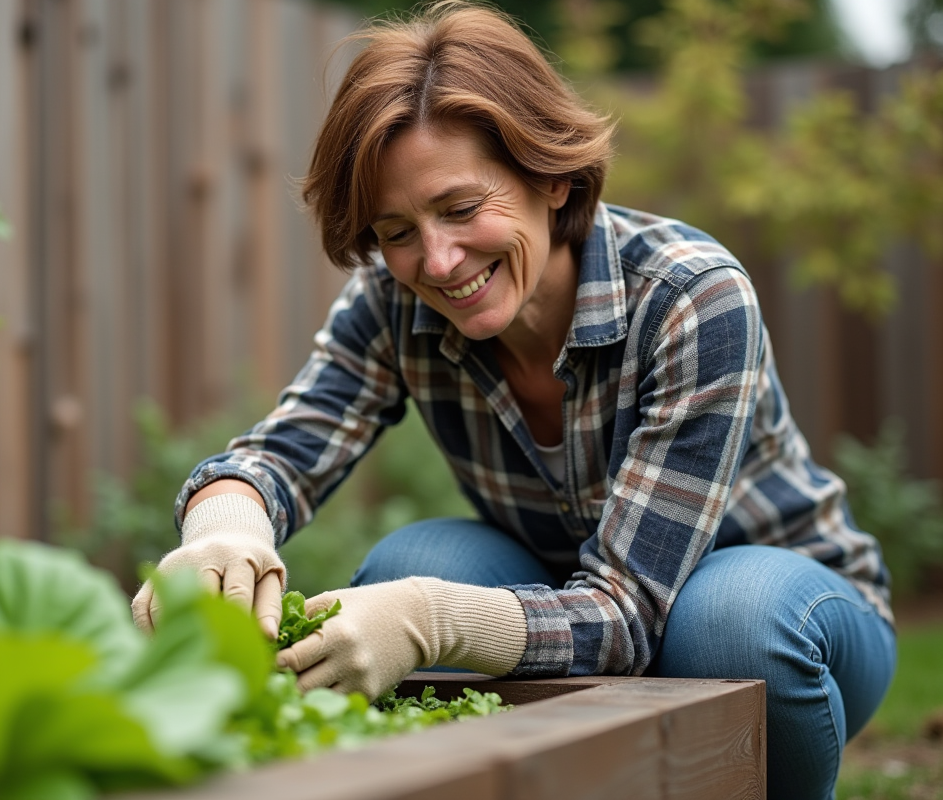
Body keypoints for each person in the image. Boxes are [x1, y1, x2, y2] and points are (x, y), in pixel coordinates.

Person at [130, 3, 896, 797]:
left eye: (462, 209)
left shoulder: (689, 297)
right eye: (397, 231)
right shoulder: (394, 304)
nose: (438, 260)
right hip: (565, 600)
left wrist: (432, 619)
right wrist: (225, 527)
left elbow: (629, 614)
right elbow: (280, 454)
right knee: (408, 563)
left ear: (551, 173)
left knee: (727, 623)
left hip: (788, 617)